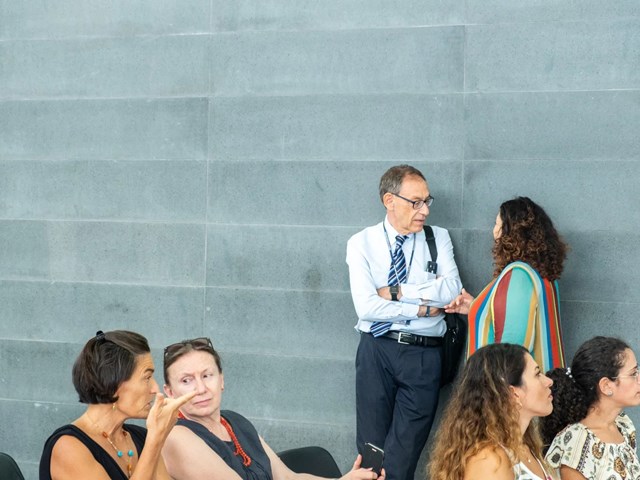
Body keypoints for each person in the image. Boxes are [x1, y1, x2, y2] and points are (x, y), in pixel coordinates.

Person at [345, 164, 462, 480]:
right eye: (416, 202)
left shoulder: (437, 238)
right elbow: (366, 307)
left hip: (423, 356)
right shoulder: (362, 243)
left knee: (400, 463)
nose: (424, 210)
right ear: (389, 200)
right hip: (375, 352)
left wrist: (398, 292)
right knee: (370, 459)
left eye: (427, 201)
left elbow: (452, 290)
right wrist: (422, 309)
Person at [161, 337, 384, 480]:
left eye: (207, 375)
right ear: (170, 392)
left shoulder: (234, 421)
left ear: (221, 380)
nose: (200, 389)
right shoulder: (176, 435)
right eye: (186, 380)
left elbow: (287, 478)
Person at [39, 330, 196, 480]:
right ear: (113, 384)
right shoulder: (68, 447)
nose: (155, 389)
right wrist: (155, 440)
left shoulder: (141, 437)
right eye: (147, 378)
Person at [445, 196, 568, 372]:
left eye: (497, 225)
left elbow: (510, 351)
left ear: (511, 234)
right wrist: (476, 307)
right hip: (544, 382)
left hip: (513, 386)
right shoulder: (543, 276)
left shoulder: (519, 275)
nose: (494, 232)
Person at [429, 343, 556, 480]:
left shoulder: (526, 446)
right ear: (513, 393)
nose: (549, 381)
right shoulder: (489, 460)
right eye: (537, 374)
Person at [541, 336, 640, 480]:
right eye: (633, 374)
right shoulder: (576, 444)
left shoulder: (623, 424)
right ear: (606, 386)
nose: (639, 379)